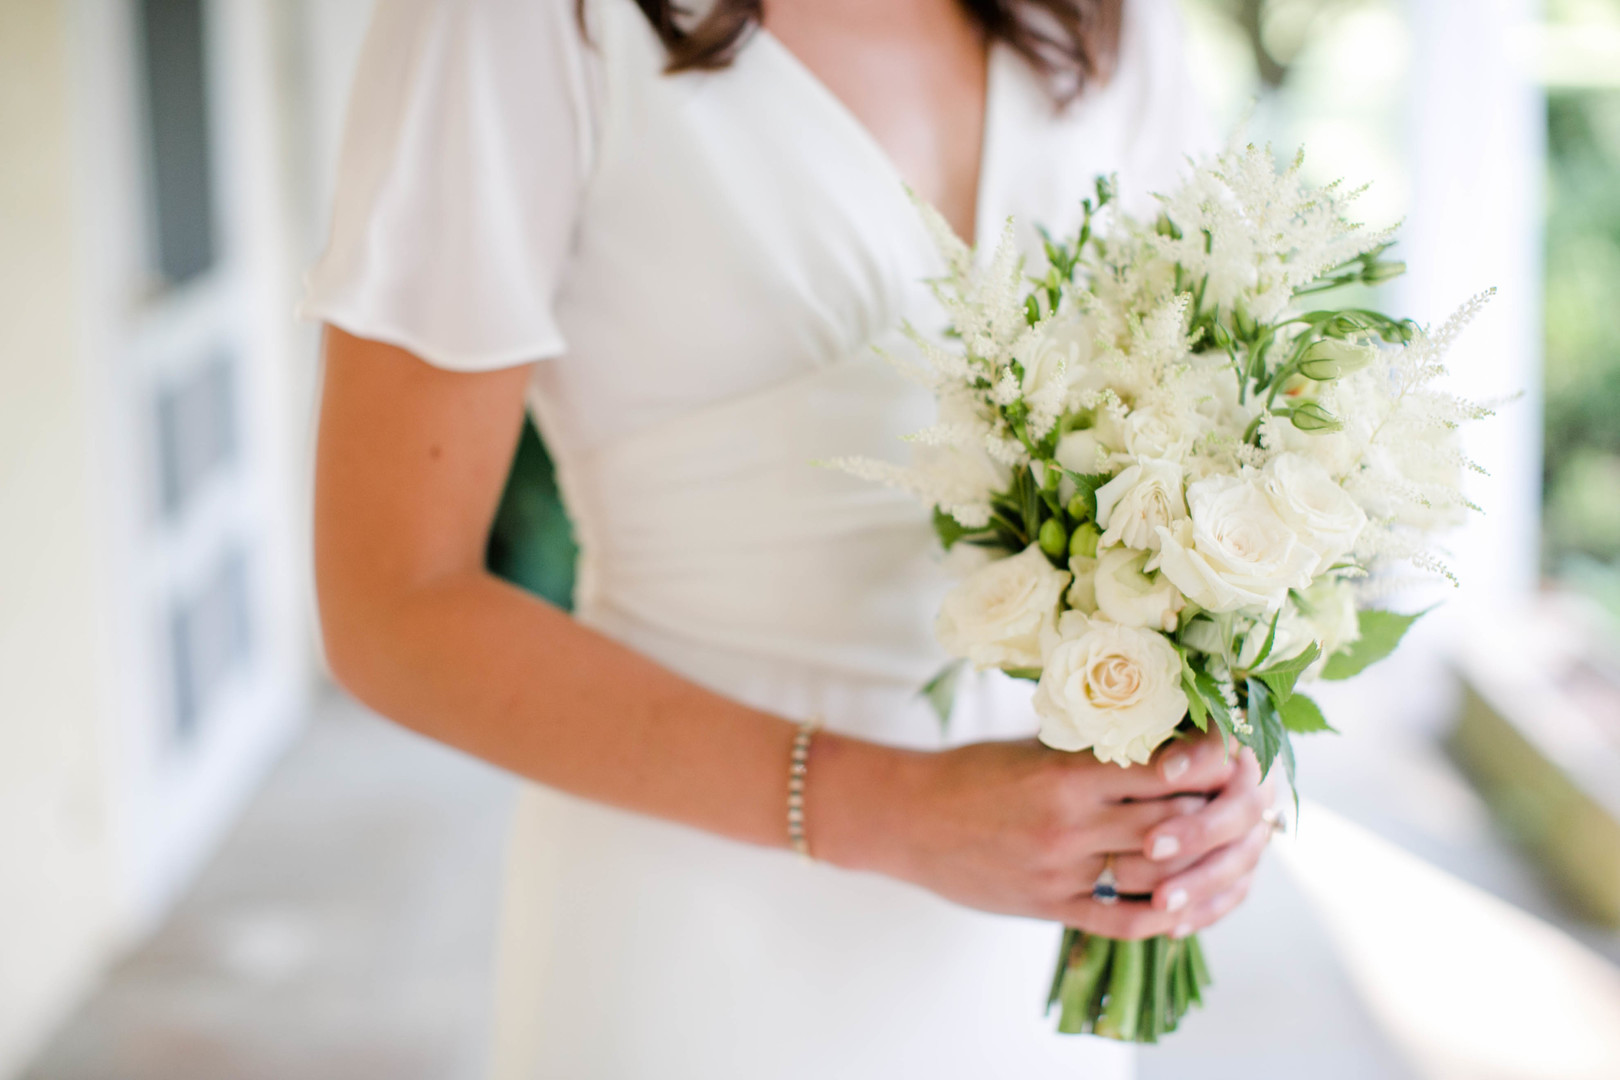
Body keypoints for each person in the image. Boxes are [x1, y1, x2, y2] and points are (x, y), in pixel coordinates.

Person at [304, 0, 1276, 1075]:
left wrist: (1211, 778)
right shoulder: (521, 25)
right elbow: (394, 605)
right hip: (691, 922)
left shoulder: (1113, 23)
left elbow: (1204, 420)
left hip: (1033, 925)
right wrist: (893, 811)